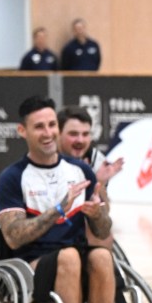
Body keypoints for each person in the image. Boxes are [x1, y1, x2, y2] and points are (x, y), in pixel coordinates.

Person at [0, 96, 126, 303]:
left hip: (76, 260)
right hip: (32, 268)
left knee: (102, 256)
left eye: (52, 125)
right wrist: (57, 209)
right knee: (68, 256)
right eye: (39, 127)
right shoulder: (13, 177)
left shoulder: (79, 170)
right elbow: (13, 236)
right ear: (23, 131)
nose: (48, 133)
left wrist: (99, 214)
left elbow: (102, 231)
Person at [56, 105, 124, 250]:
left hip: (79, 223)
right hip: (50, 221)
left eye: (85, 134)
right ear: (58, 133)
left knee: (104, 237)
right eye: (73, 134)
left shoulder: (96, 160)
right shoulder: (47, 157)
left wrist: (99, 183)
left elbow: (104, 213)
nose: (80, 140)